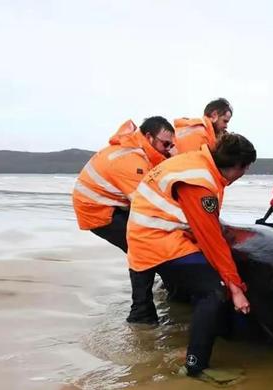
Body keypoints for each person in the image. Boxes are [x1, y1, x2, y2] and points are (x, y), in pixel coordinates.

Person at [126, 133, 256, 380]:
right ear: (238, 166)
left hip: (151, 234)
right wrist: (235, 287)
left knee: (202, 279)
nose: (243, 174)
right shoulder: (199, 183)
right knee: (214, 290)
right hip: (158, 239)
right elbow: (212, 240)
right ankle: (195, 366)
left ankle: (203, 332)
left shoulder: (198, 162)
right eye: (245, 169)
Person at [72, 116, 175, 324]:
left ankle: (168, 288)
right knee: (143, 246)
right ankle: (141, 312)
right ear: (149, 137)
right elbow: (148, 206)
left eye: (172, 145)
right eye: (166, 144)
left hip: (111, 203)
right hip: (98, 210)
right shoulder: (132, 161)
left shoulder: (138, 151)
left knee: (149, 243)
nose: (169, 149)